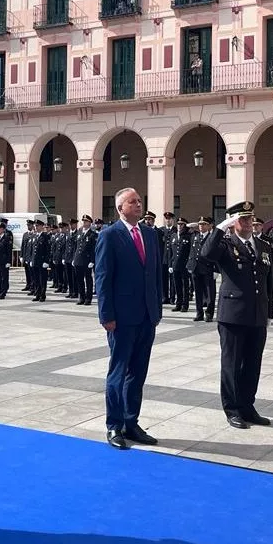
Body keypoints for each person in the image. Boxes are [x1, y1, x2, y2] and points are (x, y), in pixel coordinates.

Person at [95, 187, 162, 449]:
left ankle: (131, 422)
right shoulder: (109, 235)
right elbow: (103, 277)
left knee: (138, 373)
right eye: (132, 202)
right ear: (120, 208)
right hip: (121, 318)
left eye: (139, 201)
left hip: (146, 316)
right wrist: (106, 315)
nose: (138, 204)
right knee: (118, 372)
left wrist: (156, 309)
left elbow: (155, 275)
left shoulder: (150, 234)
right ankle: (114, 425)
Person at [200, 201, 273, 429]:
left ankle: (247, 406)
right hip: (233, 315)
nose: (248, 222)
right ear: (233, 223)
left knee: (253, 364)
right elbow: (206, 254)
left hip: (257, 314)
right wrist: (220, 228)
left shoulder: (263, 246)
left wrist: (269, 311)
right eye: (243, 219)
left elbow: (268, 281)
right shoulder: (225, 244)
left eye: (250, 218)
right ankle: (232, 409)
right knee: (232, 364)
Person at [187, 216, 216, 322]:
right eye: (199, 224)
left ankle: (209, 313)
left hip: (208, 268)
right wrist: (190, 265)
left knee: (210, 293)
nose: (201, 226)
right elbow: (192, 251)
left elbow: (216, 254)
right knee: (198, 293)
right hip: (196, 268)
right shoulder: (195, 236)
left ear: (209, 226)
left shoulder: (212, 237)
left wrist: (216, 270)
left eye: (204, 224)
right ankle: (199, 313)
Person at [72, 215, 97, 306]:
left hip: (87, 261)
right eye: (83, 221)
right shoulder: (79, 232)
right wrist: (74, 258)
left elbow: (94, 249)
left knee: (88, 280)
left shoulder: (93, 234)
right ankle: (81, 297)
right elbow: (76, 247)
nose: (84, 223)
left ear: (90, 223)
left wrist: (92, 261)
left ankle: (88, 298)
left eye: (86, 221)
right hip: (78, 260)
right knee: (79, 280)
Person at [170, 217, 193, 312]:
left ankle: (185, 304)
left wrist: (190, 264)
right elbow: (171, 252)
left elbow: (191, 251)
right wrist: (170, 264)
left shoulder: (188, 236)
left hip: (184, 265)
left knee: (185, 286)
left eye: (182, 224)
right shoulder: (173, 236)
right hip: (175, 264)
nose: (179, 226)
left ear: (185, 226)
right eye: (178, 224)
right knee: (177, 285)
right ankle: (178, 303)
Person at [31, 219, 51, 302]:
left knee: (42, 279)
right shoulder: (35, 236)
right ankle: (37, 294)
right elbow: (33, 249)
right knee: (36, 279)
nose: (36, 227)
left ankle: (42, 295)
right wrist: (31, 259)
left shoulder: (45, 236)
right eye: (35, 226)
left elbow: (48, 250)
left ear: (42, 226)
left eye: (37, 226)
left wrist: (46, 261)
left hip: (42, 261)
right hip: (35, 261)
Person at [21, 220, 36, 293]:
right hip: (26, 256)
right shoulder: (25, 234)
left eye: (29, 225)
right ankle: (28, 285)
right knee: (27, 272)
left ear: (33, 225)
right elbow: (23, 246)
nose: (28, 226)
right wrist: (21, 256)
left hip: (31, 257)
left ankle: (33, 286)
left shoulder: (34, 234)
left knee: (32, 273)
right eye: (27, 225)